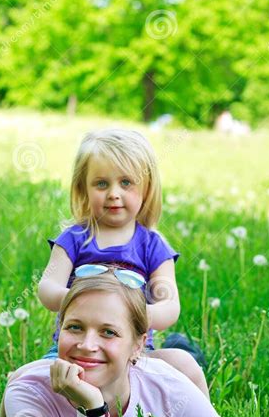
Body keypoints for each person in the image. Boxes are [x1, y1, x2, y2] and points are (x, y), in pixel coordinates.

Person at [2, 274, 247, 417]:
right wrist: (93, 409)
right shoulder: (29, 394)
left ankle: (182, 344)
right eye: (74, 327)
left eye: (109, 332)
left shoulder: (170, 390)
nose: (87, 345)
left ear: (139, 345)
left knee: (183, 357)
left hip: (153, 369)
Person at [37, 128, 210, 398]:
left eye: (126, 183)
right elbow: (47, 288)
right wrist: (89, 303)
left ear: (147, 188)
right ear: (83, 188)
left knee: (186, 364)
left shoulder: (153, 246)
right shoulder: (73, 239)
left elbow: (170, 306)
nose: (113, 193)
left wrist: (125, 313)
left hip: (135, 358)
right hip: (76, 356)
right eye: (101, 184)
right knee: (29, 382)